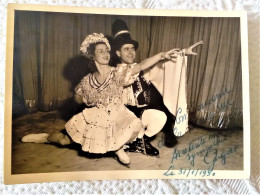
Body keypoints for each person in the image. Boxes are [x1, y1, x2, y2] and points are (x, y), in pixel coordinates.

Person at [22, 32, 182, 166]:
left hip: (119, 116)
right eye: (101, 51)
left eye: (107, 51)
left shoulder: (117, 72)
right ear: (92, 56)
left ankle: (118, 148)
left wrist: (162, 55)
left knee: (132, 127)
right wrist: (83, 99)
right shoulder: (87, 79)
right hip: (96, 118)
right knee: (64, 140)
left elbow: (139, 66)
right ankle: (44, 138)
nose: (106, 54)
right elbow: (77, 97)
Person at [110, 19, 203, 156]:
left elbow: (163, 65)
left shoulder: (140, 69)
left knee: (160, 117)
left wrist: (183, 53)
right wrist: (160, 55)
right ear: (118, 53)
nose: (130, 52)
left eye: (132, 48)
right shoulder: (116, 71)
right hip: (122, 118)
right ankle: (126, 141)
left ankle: (139, 142)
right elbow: (140, 66)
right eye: (126, 49)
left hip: (138, 114)